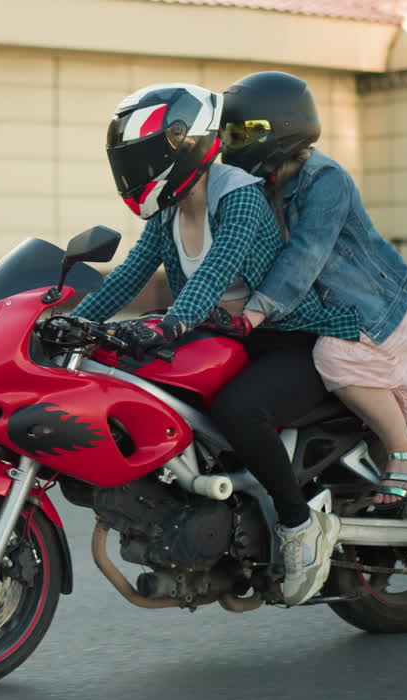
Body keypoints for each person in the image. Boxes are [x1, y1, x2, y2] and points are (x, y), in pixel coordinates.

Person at [70, 83, 362, 605]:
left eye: (144, 157)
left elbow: (214, 273)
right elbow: (129, 276)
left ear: (184, 147)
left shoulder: (239, 195)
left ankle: (299, 526)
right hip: (226, 338)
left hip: (287, 337)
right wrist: (72, 323)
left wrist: (170, 324)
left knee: (239, 410)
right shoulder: (169, 208)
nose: (136, 170)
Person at [217, 71, 407, 509]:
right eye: (228, 133)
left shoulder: (325, 180)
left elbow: (306, 254)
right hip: (325, 311)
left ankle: (404, 449)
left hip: (381, 306)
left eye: (242, 133)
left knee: (334, 357)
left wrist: (256, 311)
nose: (231, 143)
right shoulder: (264, 184)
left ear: (281, 128)